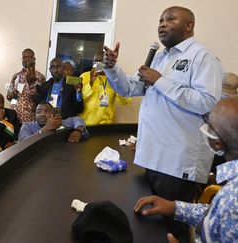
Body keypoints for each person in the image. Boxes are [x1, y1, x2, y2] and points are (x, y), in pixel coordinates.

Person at [103, 6, 223, 242]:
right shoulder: (160, 57)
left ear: (189, 25)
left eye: (170, 19)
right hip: (153, 155)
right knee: (150, 228)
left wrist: (160, 81)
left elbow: (207, 102)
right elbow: (130, 88)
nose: (162, 24)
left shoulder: (203, 57)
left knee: (173, 230)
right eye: (160, 20)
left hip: (178, 161)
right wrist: (112, 67)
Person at [134, 96, 238, 243]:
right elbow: (220, 217)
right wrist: (176, 207)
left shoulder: (231, 197)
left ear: (217, 144)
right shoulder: (229, 201)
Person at [79, 53, 131, 125]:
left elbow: (125, 101)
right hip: (85, 123)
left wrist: (116, 82)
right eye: (95, 61)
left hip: (105, 125)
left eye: (100, 62)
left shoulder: (114, 79)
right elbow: (79, 100)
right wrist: (90, 82)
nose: (97, 64)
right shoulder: (84, 76)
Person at [7, 48, 46, 122]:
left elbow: (40, 98)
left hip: (30, 117)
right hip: (14, 115)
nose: (27, 59)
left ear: (34, 59)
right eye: (25, 57)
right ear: (22, 59)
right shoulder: (16, 76)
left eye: (30, 57)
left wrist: (30, 82)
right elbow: (8, 97)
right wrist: (13, 92)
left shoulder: (40, 77)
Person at [18, 102, 88, 143]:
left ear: (53, 113)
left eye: (47, 111)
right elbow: (24, 142)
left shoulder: (56, 123)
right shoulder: (27, 126)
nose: (42, 114)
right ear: (35, 115)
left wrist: (78, 130)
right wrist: (46, 128)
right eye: (39, 112)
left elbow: (77, 119)